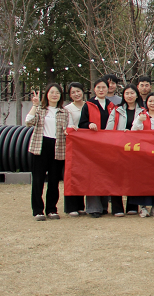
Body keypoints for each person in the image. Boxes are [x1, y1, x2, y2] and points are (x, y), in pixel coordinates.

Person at [25, 83, 68, 221]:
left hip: (58, 147)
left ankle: (51, 209)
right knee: (38, 180)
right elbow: (28, 122)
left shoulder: (64, 112)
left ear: (61, 96)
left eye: (57, 93)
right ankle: (38, 210)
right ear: (47, 95)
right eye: (52, 92)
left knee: (54, 181)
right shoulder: (40, 110)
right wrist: (35, 105)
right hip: (40, 146)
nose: (54, 95)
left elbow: (69, 128)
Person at [78, 78, 117, 218]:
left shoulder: (112, 105)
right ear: (94, 89)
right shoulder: (88, 105)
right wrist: (89, 124)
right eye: (98, 87)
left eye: (104, 87)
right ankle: (93, 208)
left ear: (108, 89)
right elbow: (81, 123)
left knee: (105, 174)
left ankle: (104, 206)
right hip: (92, 145)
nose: (101, 90)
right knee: (93, 175)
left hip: (108, 144)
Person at [107, 84, 141, 216]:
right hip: (118, 148)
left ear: (137, 95)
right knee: (116, 177)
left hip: (136, 149)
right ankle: (117, 207)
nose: (129, 96)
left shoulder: (143, 111)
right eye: (127, 93)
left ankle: (132, 205)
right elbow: (109, 129)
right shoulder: (116, 111)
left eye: (132, 93)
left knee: (134, 177)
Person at [131, 93, 154, 217]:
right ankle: (143, 206)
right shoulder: (141, 115)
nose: (152, 103)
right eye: (150, 101)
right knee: (143, 180)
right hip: (143, 154)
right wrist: (139, 121)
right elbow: (133, 131)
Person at [62, 82, 87, 217]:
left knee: (82, 175)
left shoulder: (89, 106)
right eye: (73, 92)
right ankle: (71, 206)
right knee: (72, 174)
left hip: (86, 146)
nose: (76, 94)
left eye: (78, 91)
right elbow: (69, 125)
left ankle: (80, 205)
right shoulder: (67, 109)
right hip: (73, 145)